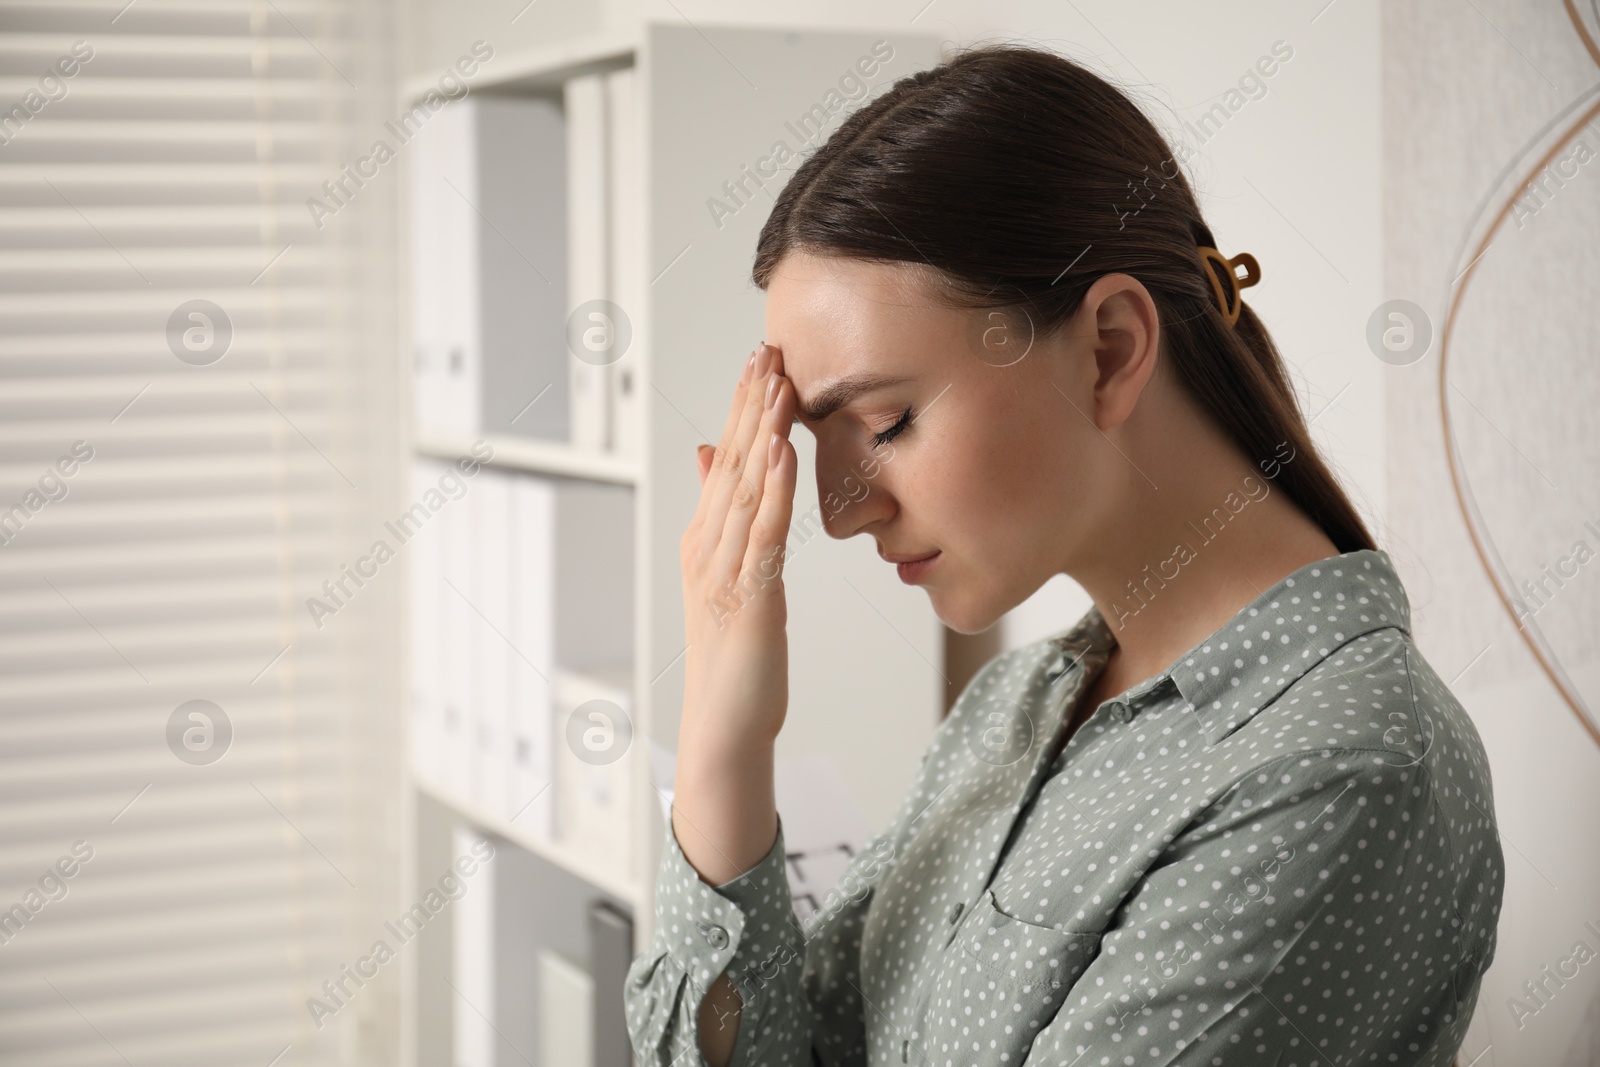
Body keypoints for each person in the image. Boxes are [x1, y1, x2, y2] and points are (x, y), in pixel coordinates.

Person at [624, 42, 1503, 1067]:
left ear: (1110, 349)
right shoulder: (1016, 705)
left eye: (885, 419)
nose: (838, 511)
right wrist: (724, 734)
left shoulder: (1334, 771)